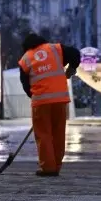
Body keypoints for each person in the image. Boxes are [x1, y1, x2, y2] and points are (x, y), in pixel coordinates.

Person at [18, 33, 81, 177]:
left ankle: (48, 168)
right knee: (58, 133)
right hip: (60, 99)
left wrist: (34, 95)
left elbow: (26, 85)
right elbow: (75, 53)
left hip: (41, 102)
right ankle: (56, 165)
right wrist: (72, 69)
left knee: (43, 135)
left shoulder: (25, 59)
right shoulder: (55, 49)